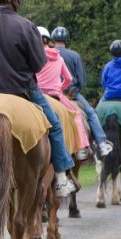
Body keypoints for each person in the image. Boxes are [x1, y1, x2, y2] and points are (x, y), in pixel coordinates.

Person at [0, 0, 78, 197]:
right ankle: (62, 177)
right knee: (54, 124)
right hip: (23, 91)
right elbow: (38, 63)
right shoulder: (26, 26)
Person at [50, 26, 114, 157]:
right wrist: (74, 90)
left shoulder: (47, 54)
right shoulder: (74, 55)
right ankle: (101, 144)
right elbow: (81, 80)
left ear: (53, 39)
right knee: (91, 114)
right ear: (67, 41)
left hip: (50, 93)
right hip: (71, 93)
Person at [35, 27, 92, 160]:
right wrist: (60, 87)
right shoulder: (58, 58)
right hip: (56, 95)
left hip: (37, 93)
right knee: (76, 114)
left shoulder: (34, 56)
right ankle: (81, 148)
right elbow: (69, 79)